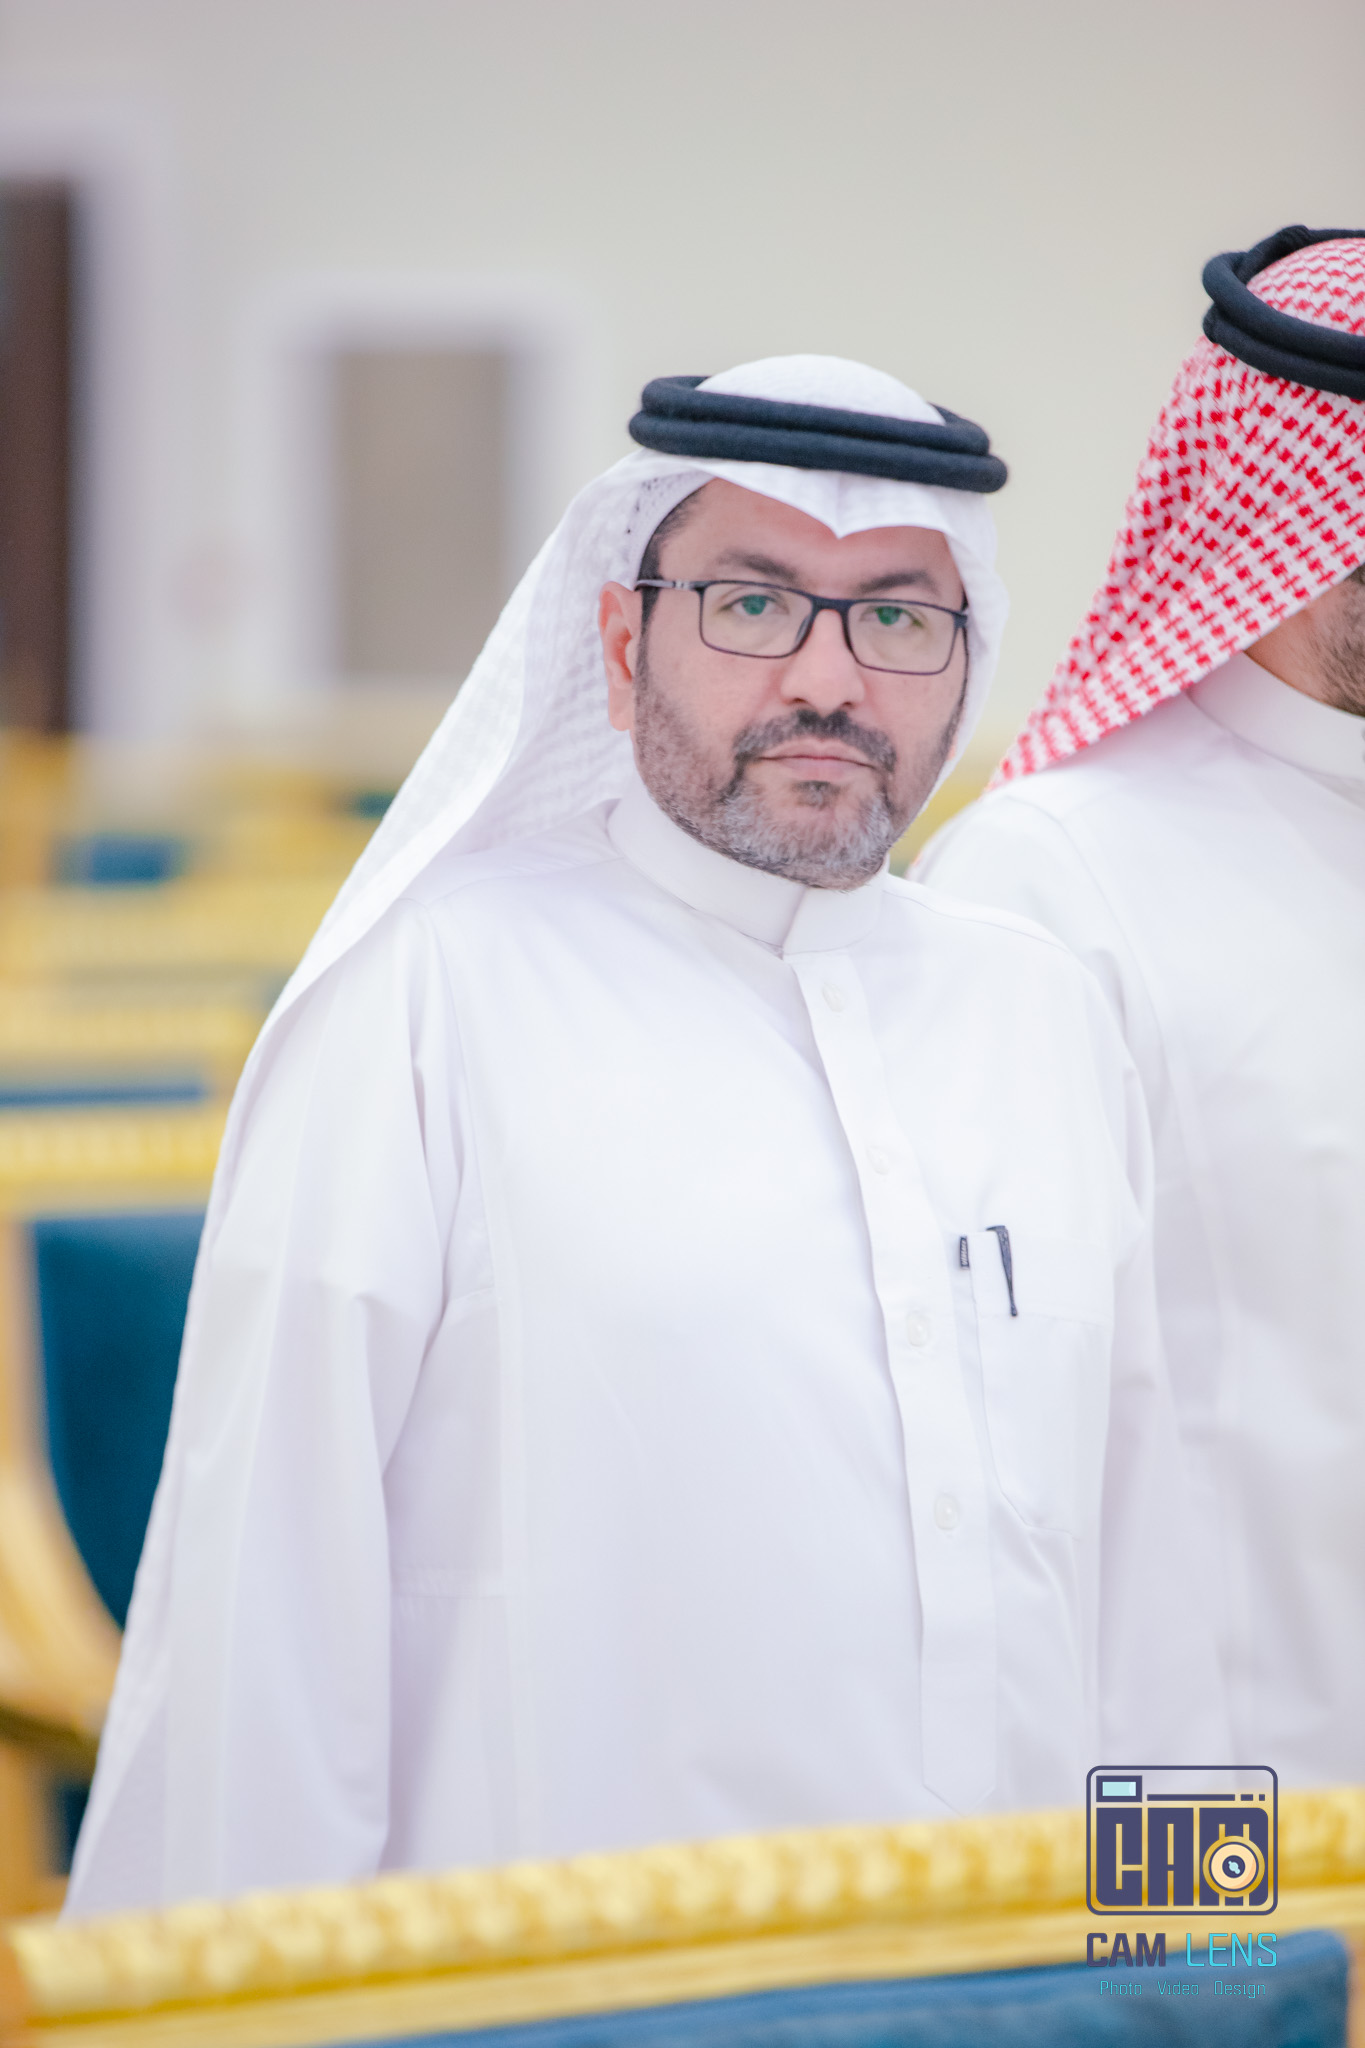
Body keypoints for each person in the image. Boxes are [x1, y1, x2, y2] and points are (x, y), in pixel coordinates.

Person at [68, 357, 1223, 1914]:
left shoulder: (1039, 1013)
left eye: (897, 618)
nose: (829, 679)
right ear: (621, 646)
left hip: (1002, 1990)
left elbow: (1139, 1576)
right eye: (751, 605)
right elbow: (265, 1599)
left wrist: (1187, 1976)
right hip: (571, 1990)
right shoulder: (429, 995)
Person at [919, 229, 1365, 1786]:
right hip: (1222, 1826)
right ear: (1299, 515)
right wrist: (1161, 1889)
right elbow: (984, 1468)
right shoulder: (1043, 878)